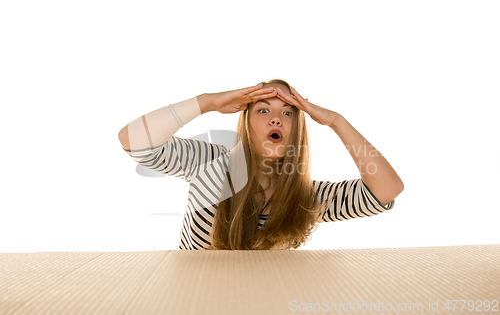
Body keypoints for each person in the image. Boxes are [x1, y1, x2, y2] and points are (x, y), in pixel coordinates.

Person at [118, 79, 404, 250]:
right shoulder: (211, 164)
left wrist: (336, 121)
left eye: (288, 113)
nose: (275, 119)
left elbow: (386, 190)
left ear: (296, 129)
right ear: (245, 120)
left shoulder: (306, 197)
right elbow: (133, 141)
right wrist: (207, 102)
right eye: (264, 110)